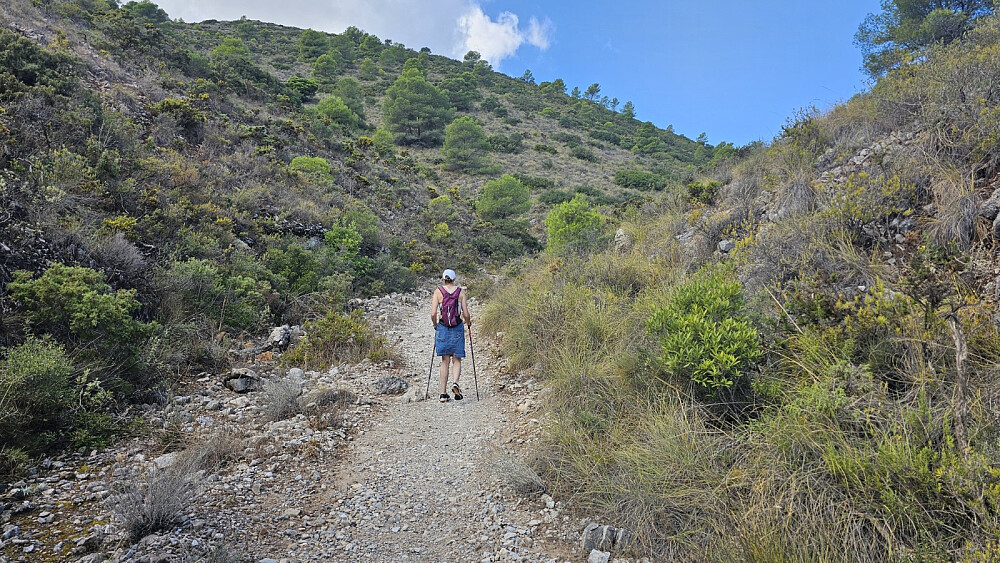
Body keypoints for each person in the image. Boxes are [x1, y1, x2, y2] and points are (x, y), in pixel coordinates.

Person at [430, 269, 471, 402]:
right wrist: (468, 323)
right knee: (457, 359)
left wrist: (435, 325)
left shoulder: (438, 292)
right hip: (457, 327)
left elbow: (433, 313)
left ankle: (442, 393)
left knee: (444, 360)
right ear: (454, 279)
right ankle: (455, 383)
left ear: (443, 279)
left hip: (443, 327)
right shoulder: (461, 292)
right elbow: (465, 313)